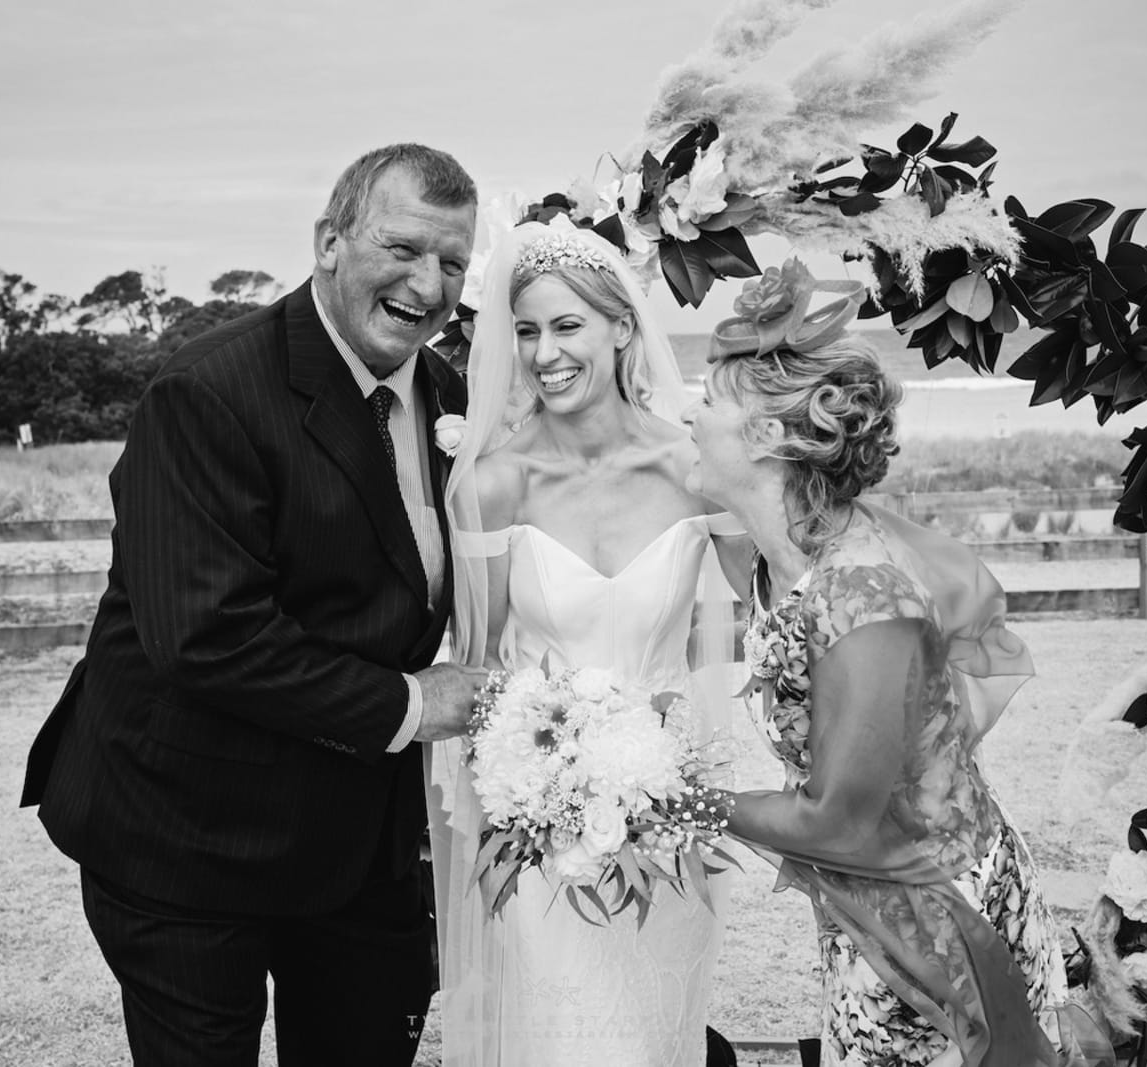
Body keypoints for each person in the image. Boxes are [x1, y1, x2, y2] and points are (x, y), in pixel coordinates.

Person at [19, 143, 490, 1067]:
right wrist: (411, 703)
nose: (428, 285)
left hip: (358, 841)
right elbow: (207, 636)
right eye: (402, 248)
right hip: (186, 830)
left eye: (452, 262)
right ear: (329, 242)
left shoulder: (451, 398)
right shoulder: (207, 392)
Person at [685, 261, 1071, 1067]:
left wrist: (679, 799)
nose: (691, 413)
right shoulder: (774, 554)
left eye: (711, 401)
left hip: (939, 923)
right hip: (865, 902)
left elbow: (837, 820)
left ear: (768, 435)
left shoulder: (864, 598)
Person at [431, 217, 748, 1066]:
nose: (544, 354)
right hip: (540, 833)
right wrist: (537, 788)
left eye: (567, 325)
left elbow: (765, 609)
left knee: (652, 1037)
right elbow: (477, 668)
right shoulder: (496, 483)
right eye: (526, 331)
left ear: (622, 328)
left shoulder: (694, 469)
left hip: (669, 817)